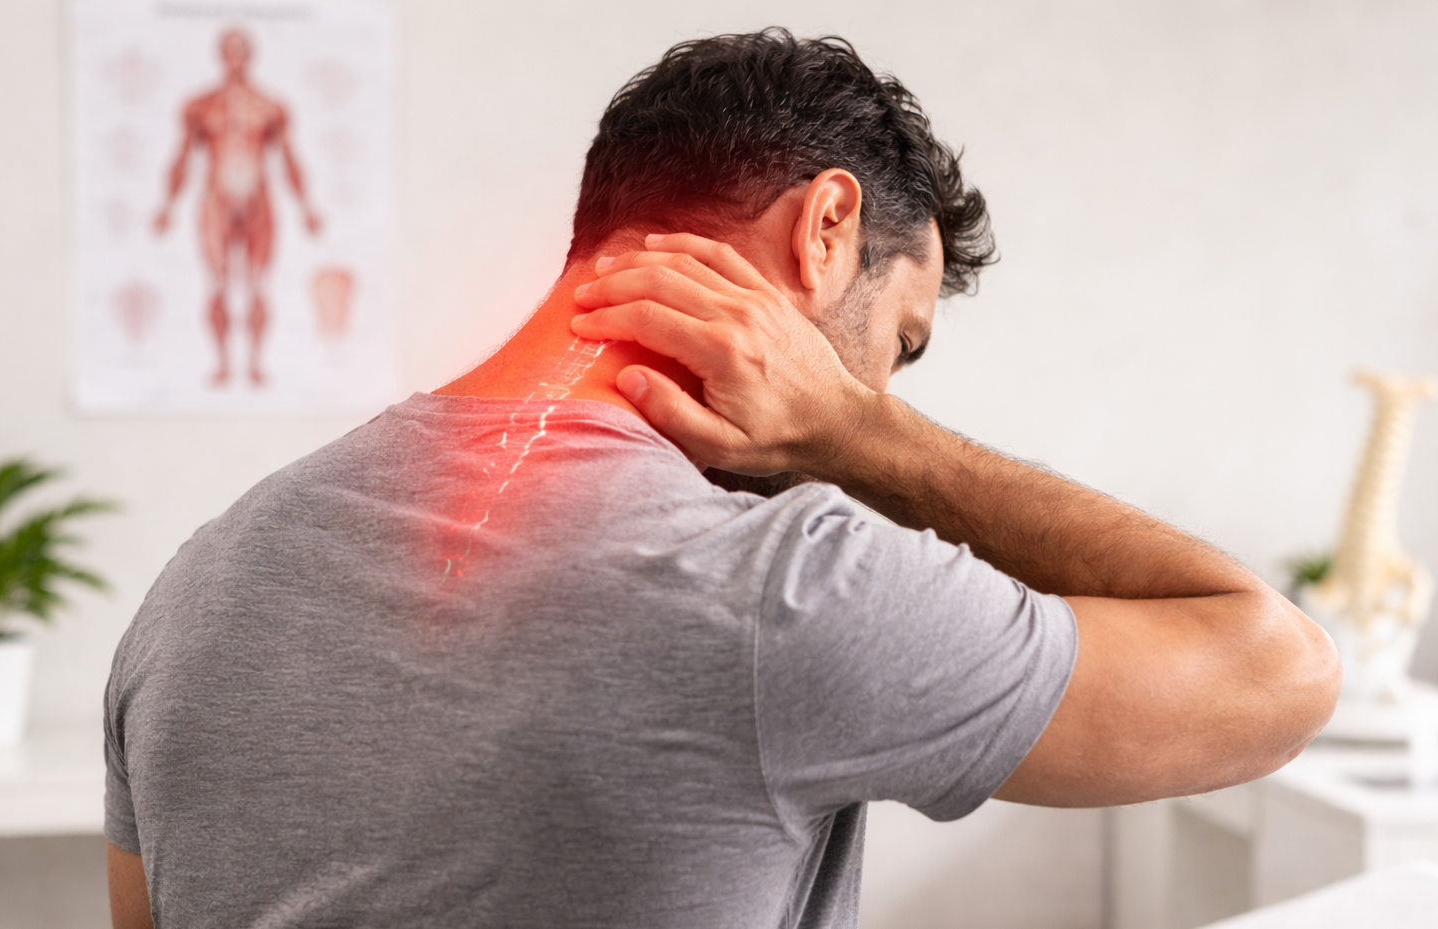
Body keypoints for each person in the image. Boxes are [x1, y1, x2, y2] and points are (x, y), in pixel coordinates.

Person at [106, 30, 1339, 929]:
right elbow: (1278, 671)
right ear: (825, 231)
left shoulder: (200, 584)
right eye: (896, 346)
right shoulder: (784, 589)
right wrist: (862, 437)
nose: (885, 390)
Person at [153, 28, 322, 388]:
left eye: (241, 51)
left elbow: (289, 158)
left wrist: (306, 206)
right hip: (216, 198)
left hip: (258, 199)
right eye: (229, 51)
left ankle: (256, 363)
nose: (235, 58)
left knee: (259, 284)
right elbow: (181, 157)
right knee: (216, 283)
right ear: (220, 55)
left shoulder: (270, 106)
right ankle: (223, 364)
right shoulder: (200, 106)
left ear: (250, 56)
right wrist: (167, 205)